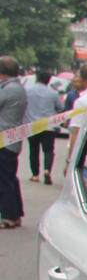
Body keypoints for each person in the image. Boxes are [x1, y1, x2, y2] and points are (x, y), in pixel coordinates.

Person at [25, 67, 62, 185]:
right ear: (49, 80)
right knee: (48, 150)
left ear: (37, 78)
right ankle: (47, 170)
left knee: (33, 149)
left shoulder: (27, 90)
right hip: (48, 126)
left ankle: (35, 175)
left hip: (32, 125)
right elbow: (60, 108)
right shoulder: (53, 93)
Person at [0, 57, 24, 228]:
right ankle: (14, 214)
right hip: (11, 140)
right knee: (9, 178)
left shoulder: (10, 89)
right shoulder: (16, 88)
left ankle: (9, 215)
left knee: (4, 180)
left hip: (5, 140)